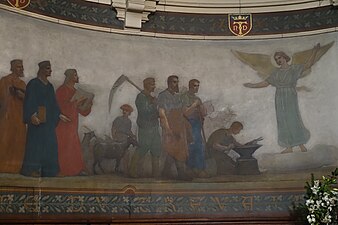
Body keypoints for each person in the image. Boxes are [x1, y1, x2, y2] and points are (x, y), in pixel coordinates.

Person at [243, 44, 320, 154]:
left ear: (285, 57)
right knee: (283, 121)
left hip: (290, 95)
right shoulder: (276, 73)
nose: (278, 60)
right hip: (279, 97)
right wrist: (252, 85)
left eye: (279, 58)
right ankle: (288, 146)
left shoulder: (294, 69)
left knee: (294, 119)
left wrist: (315, 51)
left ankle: (301, 144)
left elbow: (308, 64)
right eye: (276, 59)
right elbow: (265, 83)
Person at [20, 61, 70, 177]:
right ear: (41, 70)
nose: (50, 71)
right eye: (48, 68)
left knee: (50, 145)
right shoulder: (33, 84)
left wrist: (59, 114)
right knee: (35, 146)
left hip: (48, 123)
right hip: (37, 121)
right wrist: (32, 115)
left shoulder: (50, 86)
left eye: (50, 68)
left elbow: (53, 104)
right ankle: (31, 169)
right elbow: (28, 102)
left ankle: (50, 170)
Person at [55, 69, 93, 176]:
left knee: (73, 146)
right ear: (70, 77)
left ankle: (76, 169)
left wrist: (88, 104)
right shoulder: (61, 90)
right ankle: (63, 170)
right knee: (64, 145)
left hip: (73, 124)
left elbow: (83, 111)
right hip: (62, 123)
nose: (77, 77)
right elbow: (59, 108)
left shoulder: (75, 92)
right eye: (75, 75)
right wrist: (76, 103)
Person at [158, 75, 191, 181]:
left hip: (179, 125)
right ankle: (181, 173)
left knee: (179, 149)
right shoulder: (163, 95)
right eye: (174, 82)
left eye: (177, 82)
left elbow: (183, 111)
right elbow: (162, 113)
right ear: (169, 83)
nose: (176, 84)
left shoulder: (178, 96)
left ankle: (166, 171)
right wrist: (167, 129)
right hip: (169, 125)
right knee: (171, 148)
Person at [129, 77, 161, 178]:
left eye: (154, 84)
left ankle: (156, 174)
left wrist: (156, 108)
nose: (154, 86)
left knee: (156, 149)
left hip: (154, 126)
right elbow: (145, 112)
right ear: (146, 85)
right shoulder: (141, 97)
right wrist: (153, 104)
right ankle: (133, 171)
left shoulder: (149, 97)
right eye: (152, 84)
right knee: (143, 148)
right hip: (145, 127)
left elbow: (156, 113)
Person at [0, 59, 26, 173]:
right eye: (19, 67)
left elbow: (28, 101)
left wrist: (22, 96)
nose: (22, 69)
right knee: (5, 140)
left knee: (18, 141)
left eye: (22, 67)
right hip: (6, 117)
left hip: (19, 118)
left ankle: (16, 168)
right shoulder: (4, 81)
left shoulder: (22, 84)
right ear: (12, 68)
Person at [181, 79, 208, 178]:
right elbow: (185, 113)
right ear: (190, 86)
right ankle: (190, 169)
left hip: (197, 125)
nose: (196, 88)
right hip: (188, 125)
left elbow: (203, 113)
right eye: (195, 86)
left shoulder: (198, 98)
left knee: (199, 147)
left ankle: (200, 169)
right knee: (190, 147)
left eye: (198, 86)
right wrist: (194, 105)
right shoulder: (184, 97)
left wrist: (202, 109)